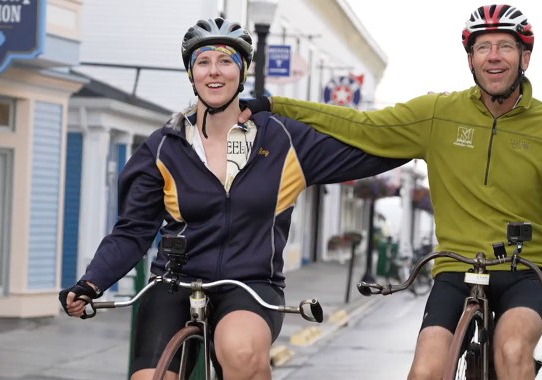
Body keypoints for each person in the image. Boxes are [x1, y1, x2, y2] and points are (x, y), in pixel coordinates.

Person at [239, 4, 542, 379]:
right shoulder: (439, 114)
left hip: (525, 271)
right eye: (483, 47)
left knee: (513, 352)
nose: (494, 56)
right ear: (470, 59)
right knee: (425, 371)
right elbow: (362, 125)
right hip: (456, 266)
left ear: (525, 57)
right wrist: (275, 104)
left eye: (505, 46)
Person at [58, 17, 406, 380]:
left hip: (251, 284)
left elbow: (373, 147)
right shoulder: (163, 147)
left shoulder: (284, 140)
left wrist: (423, 140)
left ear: (242, 71)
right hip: (174, 282)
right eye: (203, 62)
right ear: (191, 74)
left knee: (240, 354)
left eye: (226, 61)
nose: (214, 72)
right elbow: (132, 231)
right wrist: (91, 282)